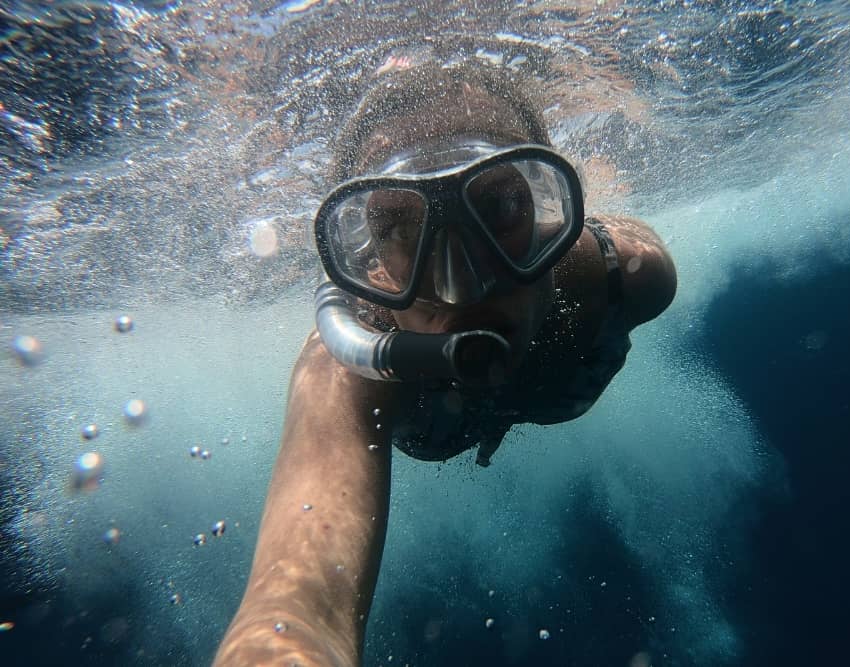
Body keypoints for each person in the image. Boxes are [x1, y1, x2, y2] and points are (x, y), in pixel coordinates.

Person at [214, 59, 676, 666]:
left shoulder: (630, 280)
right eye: (398, 227)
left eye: (505, 204)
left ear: (551, 212)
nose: (461, 287)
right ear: (366, 259)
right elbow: (294, 616)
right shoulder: (349, 374)